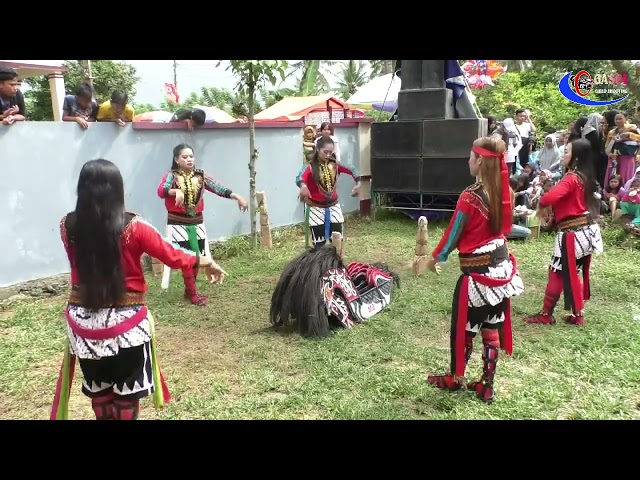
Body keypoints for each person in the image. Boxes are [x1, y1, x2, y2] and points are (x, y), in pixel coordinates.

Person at [51, 159, 228, 420]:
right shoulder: (135, 227)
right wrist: (206, 260)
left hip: (82, 322)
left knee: (99, 390)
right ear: (118, 189)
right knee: (126, 393)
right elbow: (172, 255)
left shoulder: (67, 225)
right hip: (126, 326)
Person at [425, 136, 524, 405]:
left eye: (471, 155)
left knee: (466, 329)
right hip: (502, 272)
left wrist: (435, 258)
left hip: (479, 276)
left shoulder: (470, 195)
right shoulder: (506, 192)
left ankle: (455, 378)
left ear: (479, 160)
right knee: (490, 328)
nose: (468, 160)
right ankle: (486, 385)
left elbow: (454, 233)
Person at [523, 138, 603, 326]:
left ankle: (546, 314)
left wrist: (542, 205)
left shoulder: (572, 177)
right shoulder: (584, 177)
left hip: (572, 234)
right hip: (586, 231)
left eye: (566, 152)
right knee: (572, 272)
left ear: (576, 157)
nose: (563, 155)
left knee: (556, 272)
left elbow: (551, 196)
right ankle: (578, 315)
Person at [157, 143, 248, 306]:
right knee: (187, 257)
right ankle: (192, 293)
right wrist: (175, 191)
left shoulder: (200, 176)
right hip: (177, 223)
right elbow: (161, 191)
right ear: (177, 159)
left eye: (191, 156)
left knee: (197, 256)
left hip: (197, 222)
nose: (189, 160)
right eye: (185, 157)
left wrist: (237, 197)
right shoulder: (171, 176)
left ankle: (189, 290)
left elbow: (218, 188)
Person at [295, 136, 360, 252]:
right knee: (318, 241)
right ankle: (320, 265)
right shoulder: (310, 166)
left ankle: (336, 264)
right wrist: (303, 186)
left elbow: (352, 169)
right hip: (315, 207)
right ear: (318, 149)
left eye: (331, 152)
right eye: (325, 152)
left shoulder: (335, 165)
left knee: (337, 238)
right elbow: (300, 177)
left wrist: (359, 183)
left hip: (333, 205)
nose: (328, 155)